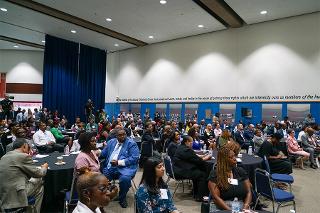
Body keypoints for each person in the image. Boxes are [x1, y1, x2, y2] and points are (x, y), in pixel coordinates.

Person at [0, 138, 48, 212]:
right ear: (24, 146)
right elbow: (39, 174)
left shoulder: (4, 157)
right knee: (39, 182)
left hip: (4, 193)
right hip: (17, 193)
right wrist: (44, 167)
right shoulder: (22, 156)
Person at [101, 128, 139, 208]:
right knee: (99, 180)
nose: (122, 137)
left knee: (125, 180)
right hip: (109, 168)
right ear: (116, 136)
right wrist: (94, 153)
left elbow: (134, 158)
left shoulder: (131, 144)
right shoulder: (111, 142)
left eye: (124, 134)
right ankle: (104, 196)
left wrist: (119, 162)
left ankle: (122, 198)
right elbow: (103, 154)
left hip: (125, 168)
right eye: (120, 135)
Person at [173, 136, 211, 201]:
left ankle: (196, 192)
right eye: (192, 142)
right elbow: (199, 161)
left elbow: (192, 157)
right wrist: (207, 157)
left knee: (198, 171)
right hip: (183, 171)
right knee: (203, 174)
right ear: (187, 142)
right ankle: (200, 196)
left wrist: (201, 156)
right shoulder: (186, 150)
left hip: (179, 168)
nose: (192, 143)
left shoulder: (181, 147)